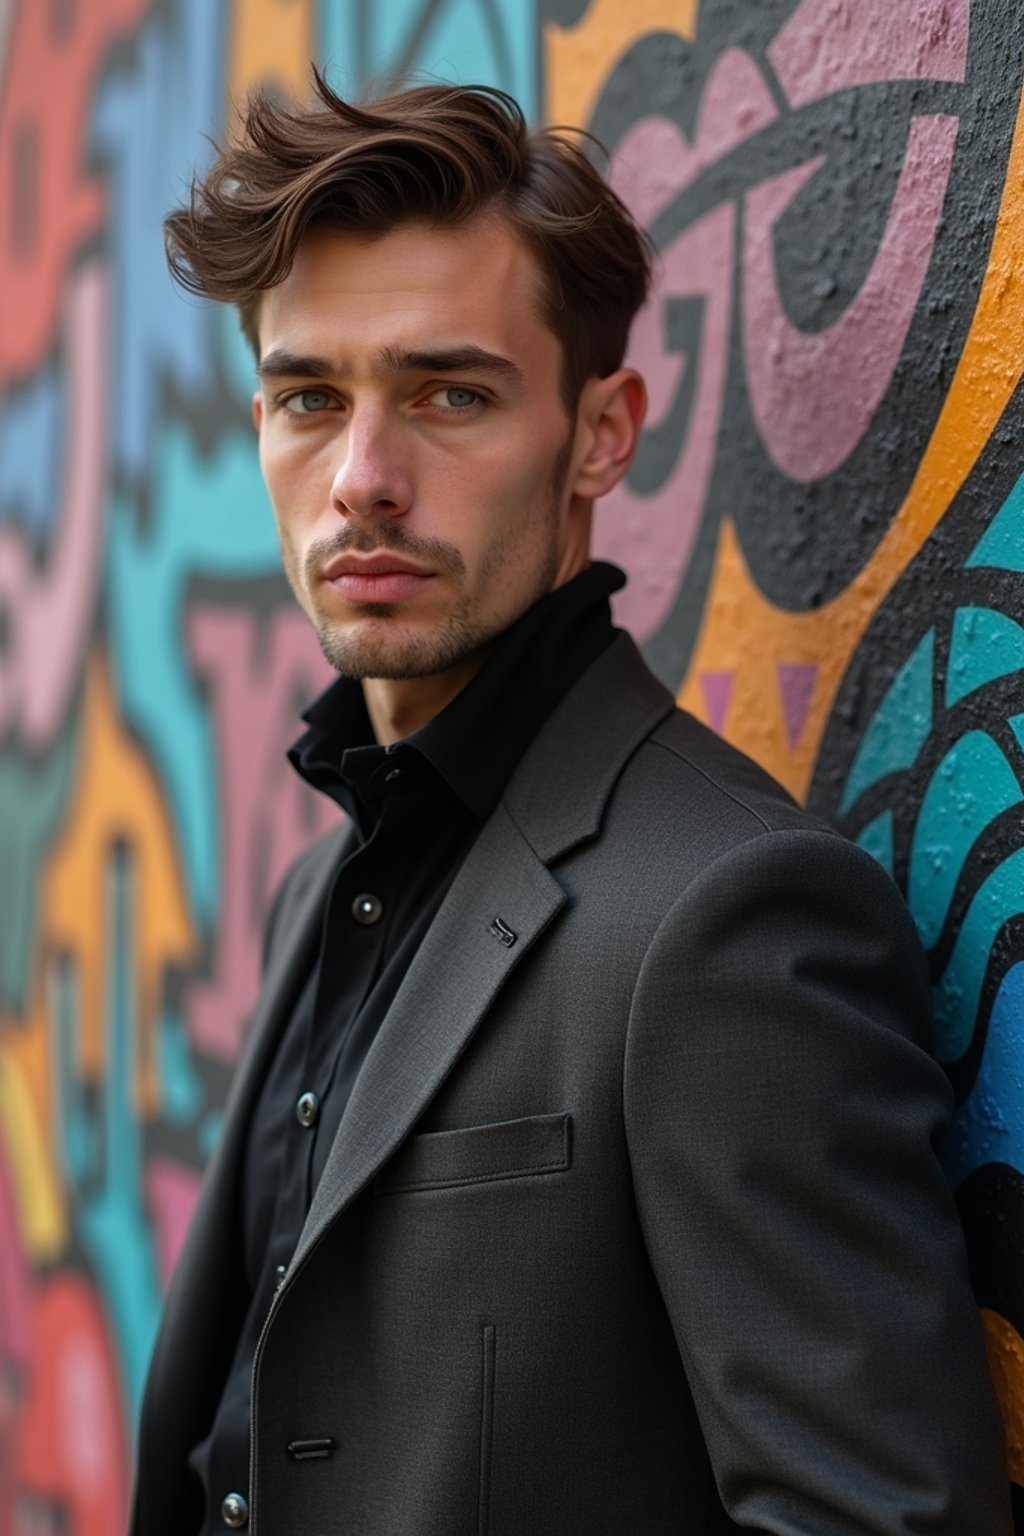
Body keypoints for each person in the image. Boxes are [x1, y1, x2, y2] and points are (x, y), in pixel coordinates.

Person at [131, 74, 1010, 1535]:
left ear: (602, 434)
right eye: (308, 398)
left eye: (449, 394)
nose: (362, 480)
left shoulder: (729, 914)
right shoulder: (320, 886)